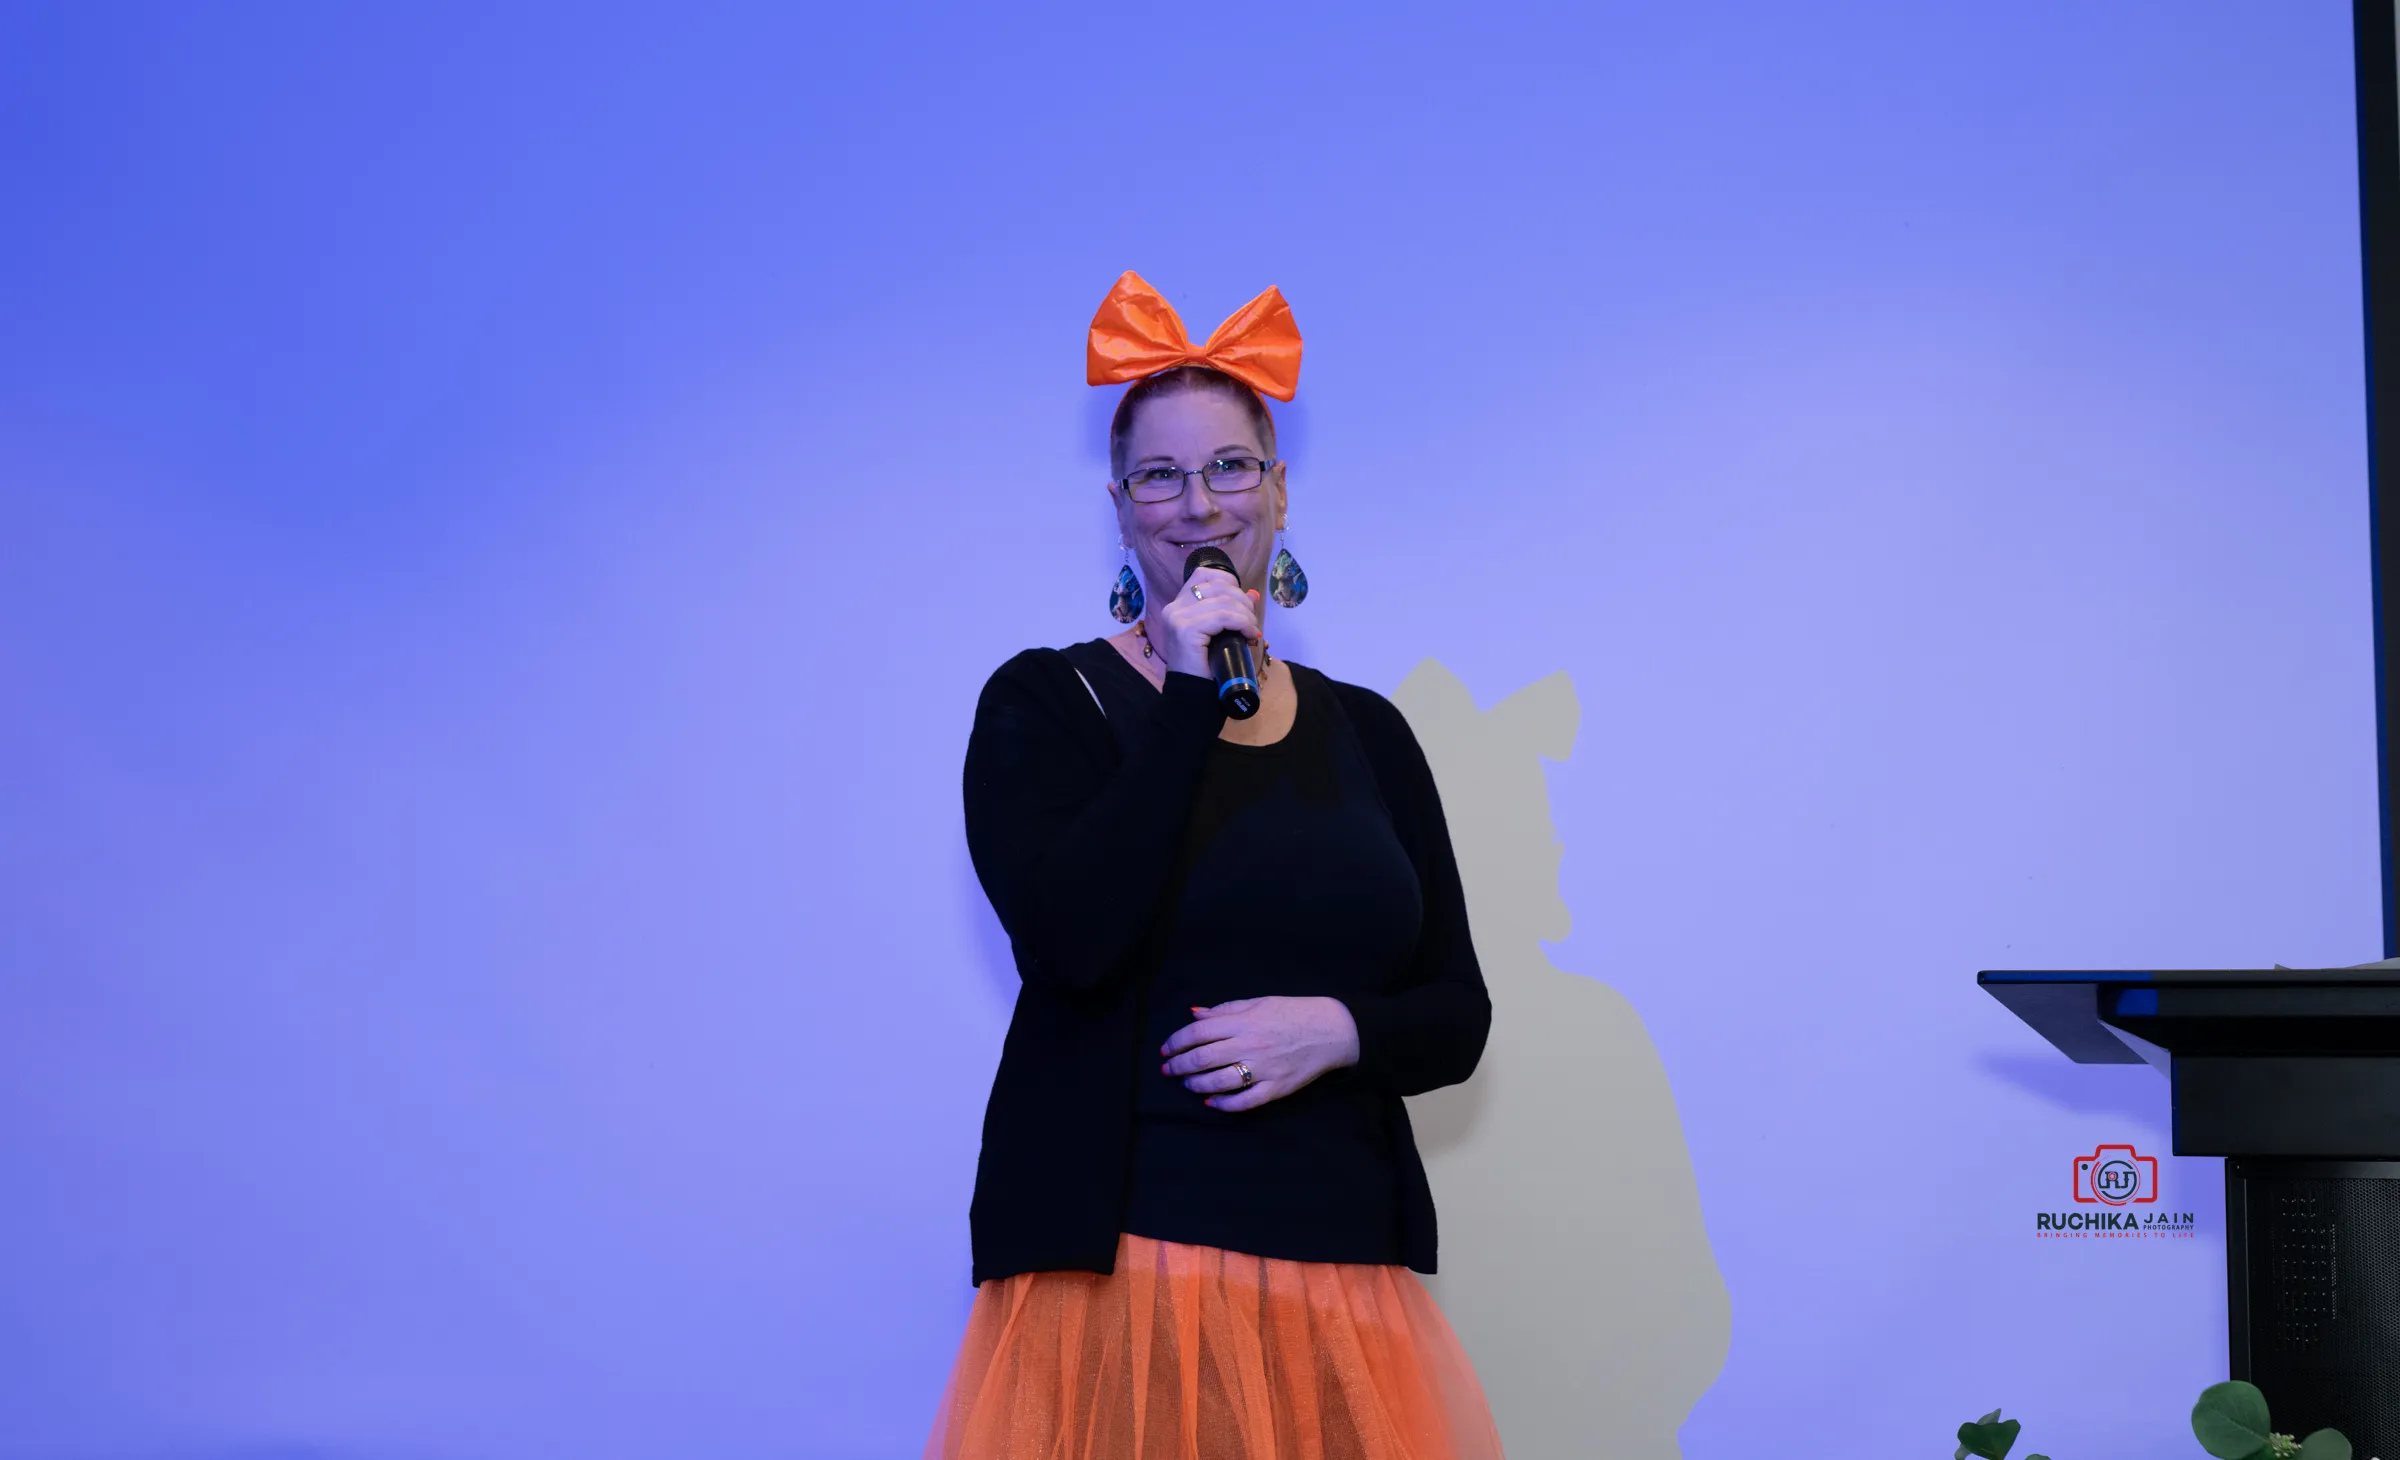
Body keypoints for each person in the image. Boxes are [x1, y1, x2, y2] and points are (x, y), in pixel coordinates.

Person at [924, 272, 1504, 1460]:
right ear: (1121, 509)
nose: (1199, 503)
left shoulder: (1370, 732)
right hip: (1123, 1272)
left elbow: (1456, 1013)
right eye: (1161, 476)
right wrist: (1190, 693)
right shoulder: (1047, 702)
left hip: (1341, 1275)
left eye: (1231, 467)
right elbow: (1072, 942)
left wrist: (1337, 1029)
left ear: (1279, 490)